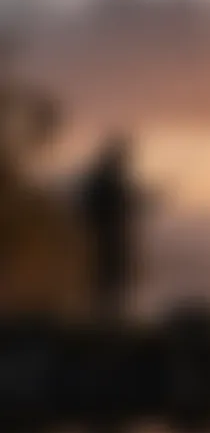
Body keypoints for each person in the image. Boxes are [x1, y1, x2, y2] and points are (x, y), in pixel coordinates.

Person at [77, 135, 139, 316]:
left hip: (105, 238)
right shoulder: (107, 182)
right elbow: (119, 206)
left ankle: (105, 316)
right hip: (108, 238)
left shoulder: (102, 181)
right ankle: (107, 318)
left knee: (108, 281)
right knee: (109, 280)